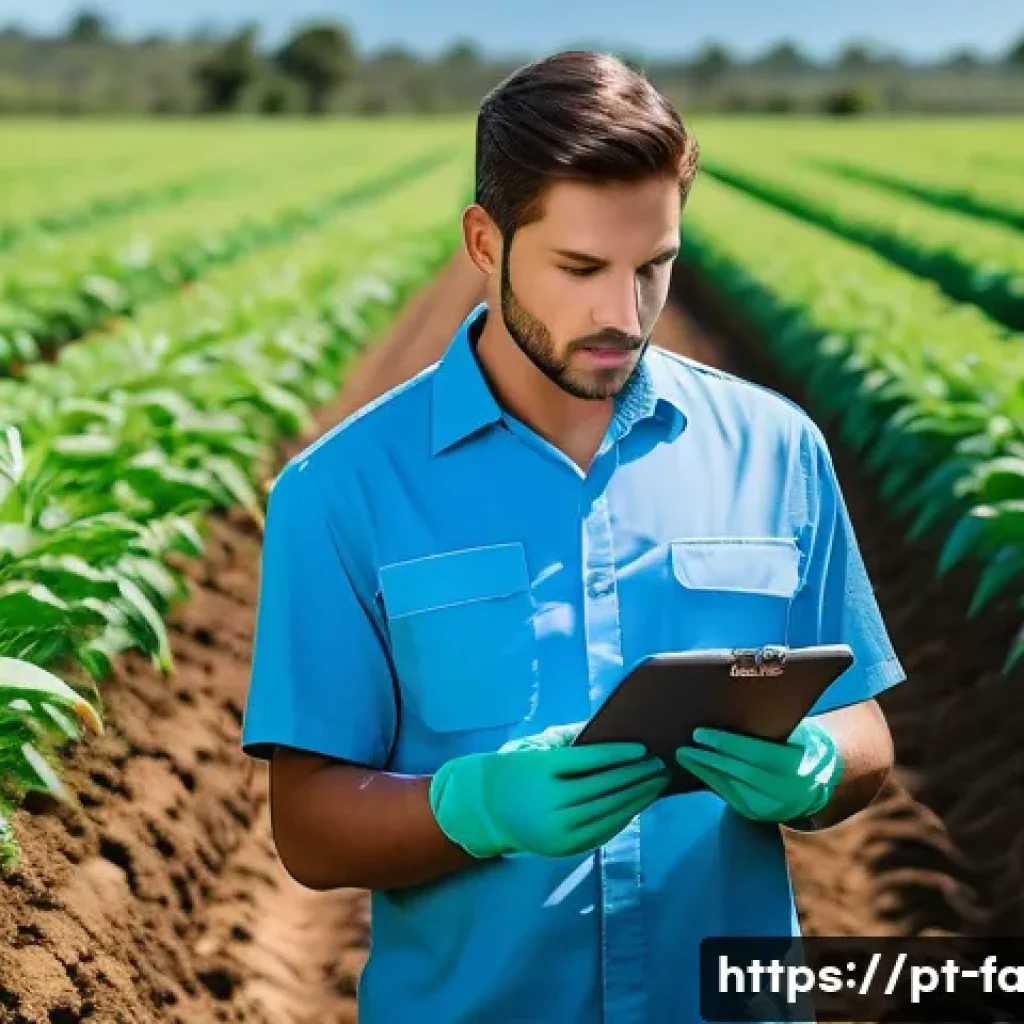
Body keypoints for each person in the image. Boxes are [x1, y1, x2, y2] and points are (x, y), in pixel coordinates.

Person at [240, 49, 905, 1024]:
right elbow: (308, 827)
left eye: (654, 267)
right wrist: (474, 806)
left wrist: (816, 765)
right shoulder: (341, 491)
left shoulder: (778, 449)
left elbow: (864, 727)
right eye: (580, 267)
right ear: (485, 241)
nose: (622, 314)